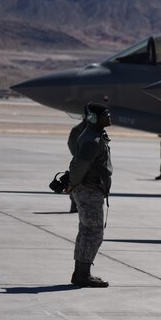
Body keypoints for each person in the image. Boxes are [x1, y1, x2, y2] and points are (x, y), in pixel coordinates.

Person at [67, 102, 113, 288]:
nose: (109, 117)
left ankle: (80, 273)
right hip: (89, 191)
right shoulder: (92, 140)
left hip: (89, 190)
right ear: (94, 118)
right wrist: (72, 183)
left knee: (86, 232)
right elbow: (79, 165)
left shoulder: (94, 135)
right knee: (93, 234)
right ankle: (83, 275)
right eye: (106, 114)